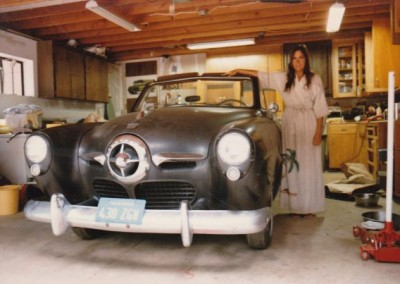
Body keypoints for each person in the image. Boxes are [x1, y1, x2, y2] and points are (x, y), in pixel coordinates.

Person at [227, 45, 329, 217]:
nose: (298, 61)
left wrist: (318, 132)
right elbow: (261, 75)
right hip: (290, 122)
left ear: (306, 60)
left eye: (301, 58)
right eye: (294, 58)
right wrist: (239, 70)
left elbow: (320, 108)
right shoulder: (283, 78)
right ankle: (295, 207)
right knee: (292, 162)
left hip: (309, 122)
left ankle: (309, 207)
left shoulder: (314, 79)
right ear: (291, 61)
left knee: (309, 164)